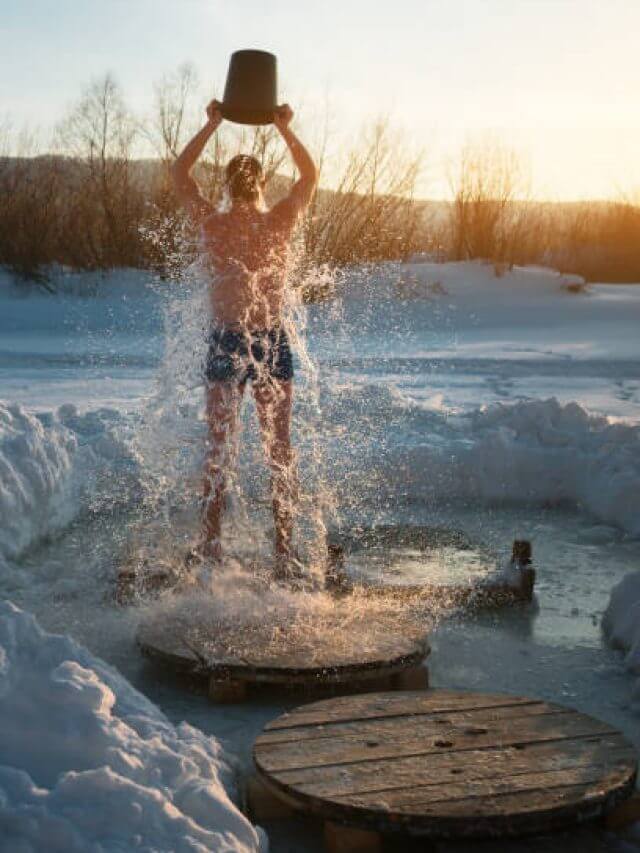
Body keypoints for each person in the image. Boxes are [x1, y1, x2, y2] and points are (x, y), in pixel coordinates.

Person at [171, 99, 317, 580]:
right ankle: (284, 551)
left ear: (227, 185)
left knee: (218, 449)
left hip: (227, 341)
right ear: (261, 184)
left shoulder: (213, 225)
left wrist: (211, 124)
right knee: (279, 451)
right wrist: (283, 128)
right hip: (270, 342)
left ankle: (209, 546)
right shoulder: (277, 223)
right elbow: (309, 176)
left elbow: (180, 173)